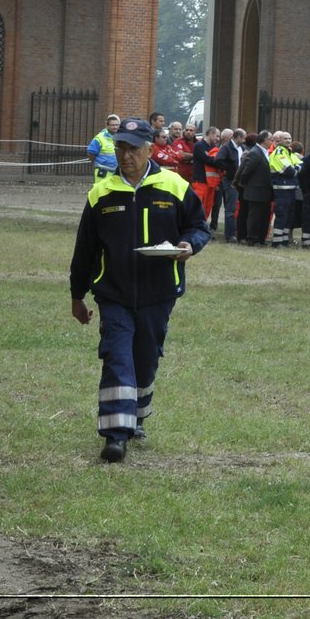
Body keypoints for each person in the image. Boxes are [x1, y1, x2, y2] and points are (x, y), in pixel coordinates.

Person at [67, 116, 209, 462]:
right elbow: (85, 248)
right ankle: (116, 435)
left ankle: (139, 413)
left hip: (158, 291)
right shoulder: (102, 193)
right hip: (113, 293)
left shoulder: (174, 186)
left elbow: (198, 227)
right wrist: (77, 294)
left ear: (149, 149)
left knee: (145, 359)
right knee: (117, 356)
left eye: (132, 148)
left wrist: (190, 245)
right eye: (120, 148)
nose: (125, 155)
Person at [234, 130, 273, 245]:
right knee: (254, 216)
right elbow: (246, 172)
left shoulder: (266, 152)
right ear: (265, 140)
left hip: (265, 191)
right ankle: (252, 238)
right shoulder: (255, 152)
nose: (272, 141)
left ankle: (261, 239)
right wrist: (248, 185)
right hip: (255, 191)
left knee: (264, 216)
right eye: (270, 138)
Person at [190, 125, 222, 236]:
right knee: (198, 206)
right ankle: (194, 229)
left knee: (208, 207)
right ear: (211, 134)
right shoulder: (199, 146)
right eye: (217, 136)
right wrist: (218, 159)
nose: (218, 139)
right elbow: (207, 160)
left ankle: (202, 229)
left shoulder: (212, 148)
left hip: (211, 183)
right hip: (200, 181)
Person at [88, 114, 121, 181]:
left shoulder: (121, 138)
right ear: (107, 125)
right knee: (101, 191)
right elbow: (91, 153)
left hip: (117, 172)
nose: (115, 127)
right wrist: (96, 164)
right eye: (112, 125)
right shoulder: (99, 138)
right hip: (103, 171)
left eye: (117, 125)